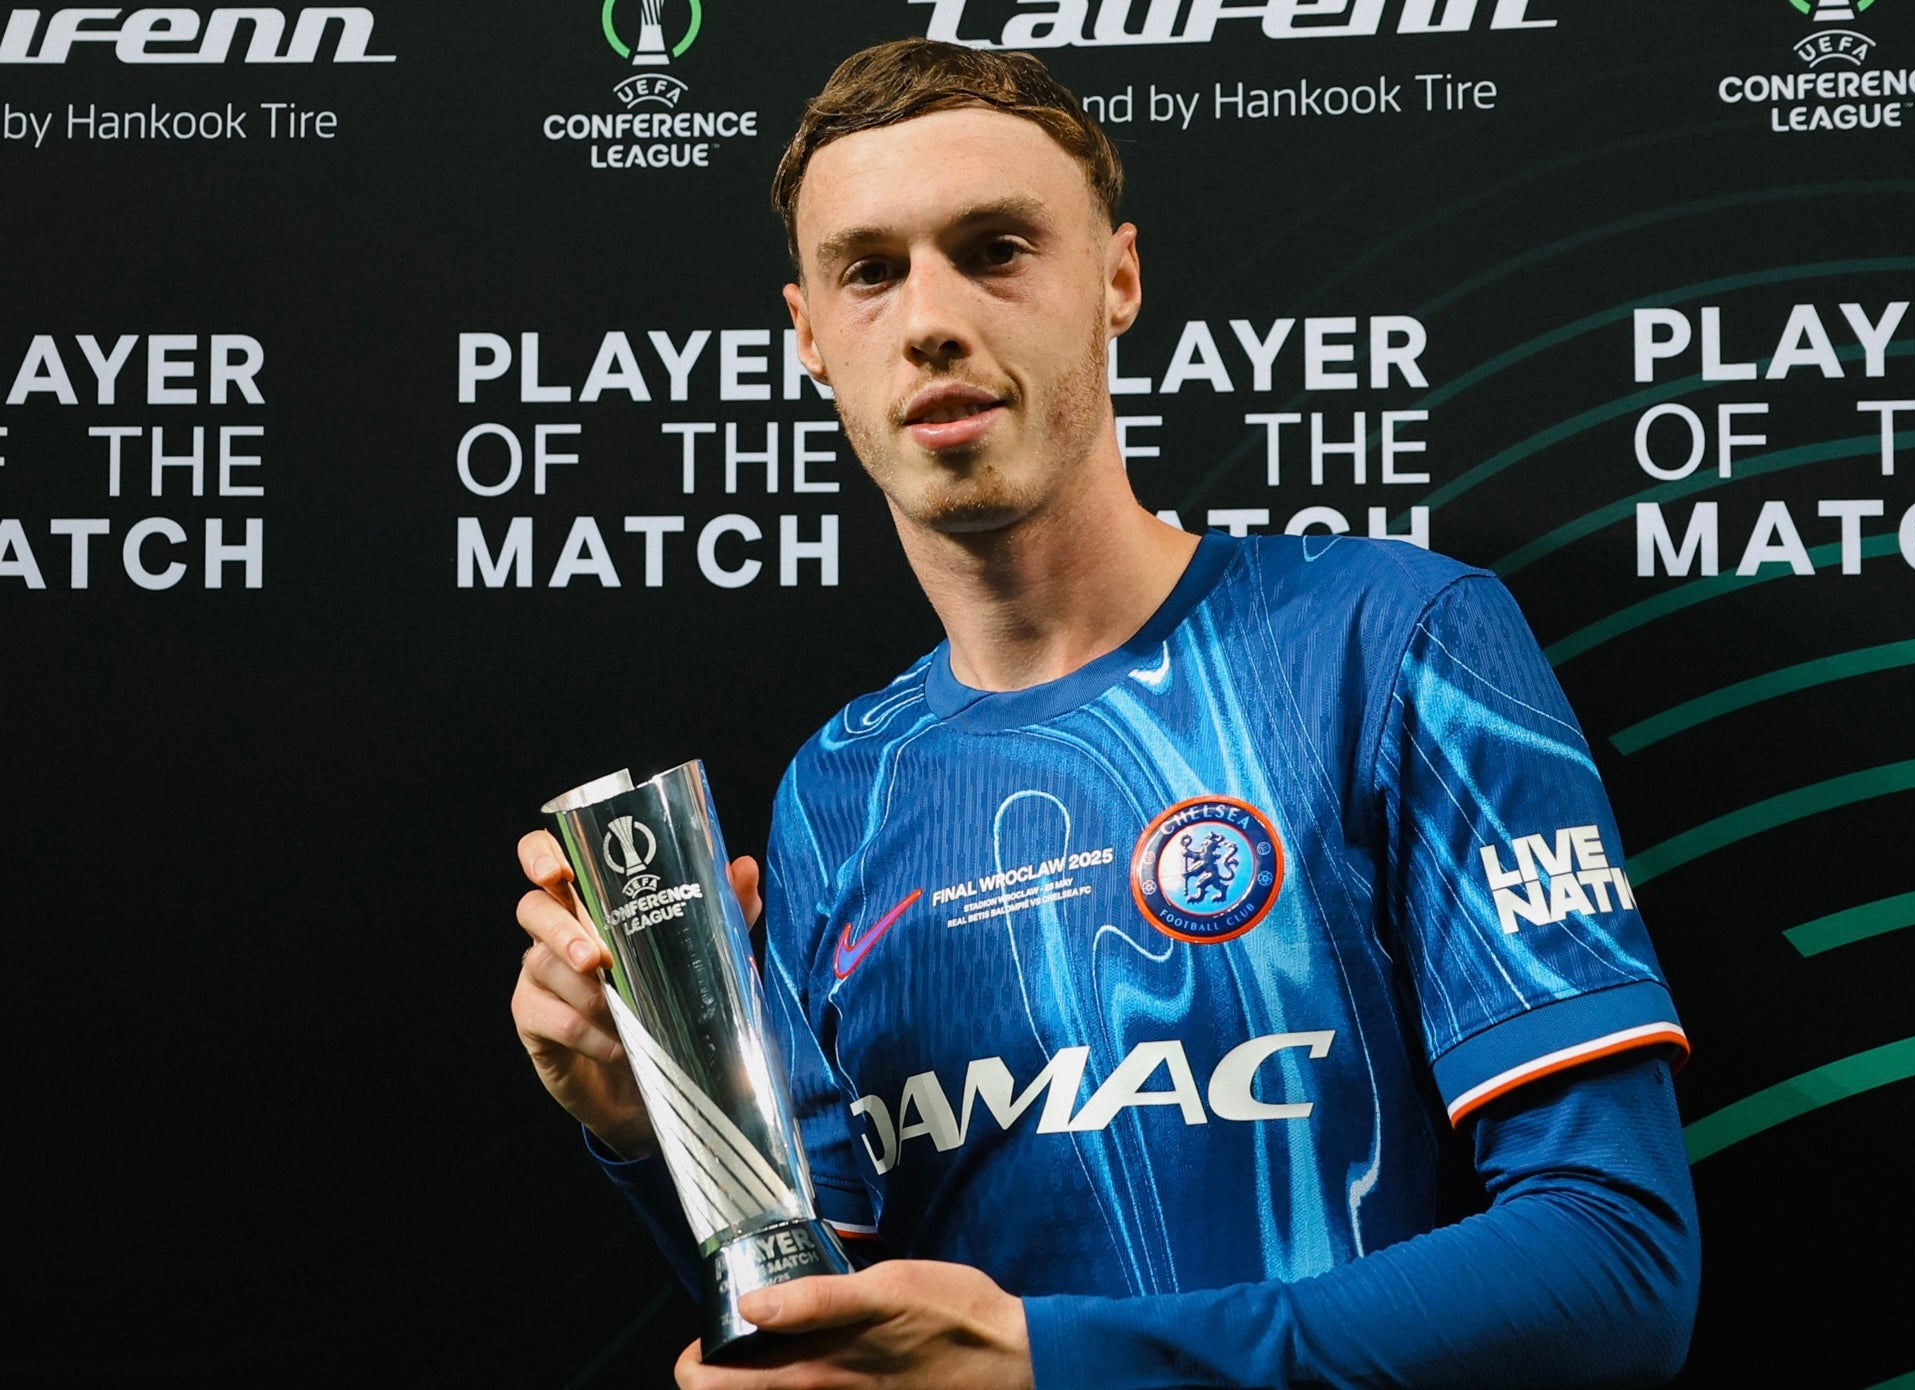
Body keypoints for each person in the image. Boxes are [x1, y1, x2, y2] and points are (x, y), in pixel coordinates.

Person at [512, 37, 1701, 1390]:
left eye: (997, 250)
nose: (930, 319)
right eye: (871, 271)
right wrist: (655, 1121)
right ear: (809, 335)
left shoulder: (1390, 637)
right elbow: (833, 1326)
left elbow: (1614, 1262)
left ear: (1118, 278)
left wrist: (1051, 1361)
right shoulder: (836, 790)